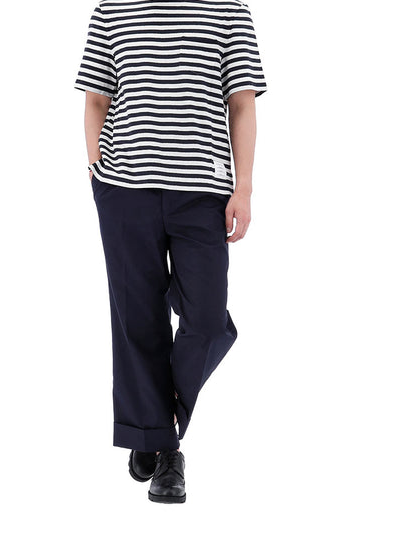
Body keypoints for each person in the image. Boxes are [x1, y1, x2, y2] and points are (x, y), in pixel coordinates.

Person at [74, 0, 267, 504]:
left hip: (202, 192)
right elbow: (96, 98)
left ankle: (152, 424)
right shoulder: (112, 10)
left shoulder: (229, 10)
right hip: (124, 188)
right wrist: (96, 171)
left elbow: (242, 102)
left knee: (208, 320)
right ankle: (165, 454)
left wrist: (244, 187)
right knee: (137, 319)